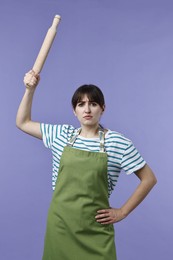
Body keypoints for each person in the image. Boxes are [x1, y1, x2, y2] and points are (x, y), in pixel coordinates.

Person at [16, 70, 157, 260]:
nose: (87, 109)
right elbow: (22, 122)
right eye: (81, 104)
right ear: (74, 111)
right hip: (61, 226)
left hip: (95, 229)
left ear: (103, 108)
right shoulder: (61, 135)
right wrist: (29, 90)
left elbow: (149, 179)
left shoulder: (117, 142)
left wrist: (122, 212)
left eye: (93, 104)